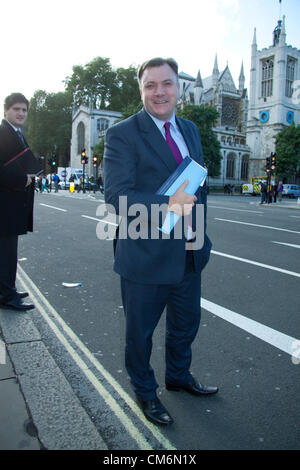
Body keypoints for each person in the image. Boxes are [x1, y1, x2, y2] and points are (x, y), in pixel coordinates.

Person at [104, 58, 218, 427]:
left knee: (186, 324)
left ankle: (178, 377)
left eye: (166, 83)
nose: (159, 92)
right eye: (150, 85)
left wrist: (200, 235)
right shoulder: (123, 133)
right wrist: (166, 204)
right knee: (140, 334)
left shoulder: (190, 129)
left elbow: (196, 183)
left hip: (189, 251)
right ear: (141, 90)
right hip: (146, 254)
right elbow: (116, 197)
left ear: (178, 88)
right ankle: (146, 391)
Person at [0, 93, 35, 311]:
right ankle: (7, 296)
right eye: (16, 109)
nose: (21, 113)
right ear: (5, 111)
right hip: (5, 204)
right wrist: (23, 179)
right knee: (6, 252)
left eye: (24, 110)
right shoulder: (3, 133)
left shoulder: (16, 133)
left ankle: (7, 288)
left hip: (12, 203)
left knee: (8, 251)